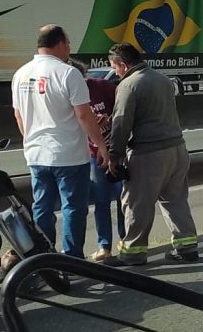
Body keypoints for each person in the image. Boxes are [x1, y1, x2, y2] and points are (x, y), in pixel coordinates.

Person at [11, 25, 110, 259]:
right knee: (73, 207)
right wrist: (102, 145)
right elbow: (84, 115)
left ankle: (43, 257)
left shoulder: (21, 74)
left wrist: (32, 141)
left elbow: (18, 116)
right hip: (68, 154)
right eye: (68, 44)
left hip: (36, 154)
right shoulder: (67, 73)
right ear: (60, 43)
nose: (69, 49)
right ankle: (72, 258)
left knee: (42, 207)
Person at [105, 42, 199, 266]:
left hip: (149, 153)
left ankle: (133, 253)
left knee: (137, 203)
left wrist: (114, 155)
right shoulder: (162, 80)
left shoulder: (129, 84)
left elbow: (121, 122)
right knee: (175, 200)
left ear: (123, 64)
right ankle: (187, 247)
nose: (115, 72)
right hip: (177, 149)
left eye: (115, 68)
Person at [67, 59, 125, 262]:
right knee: (101, 200)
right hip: (92, 154)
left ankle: (126, 240)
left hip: (116, 150)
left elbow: (124, 108)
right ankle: (104, 246)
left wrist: (108, 118)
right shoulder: (66, 95)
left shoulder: (100, 86)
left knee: (122, 198)